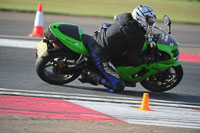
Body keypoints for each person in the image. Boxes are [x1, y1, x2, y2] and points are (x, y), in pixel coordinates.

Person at [83, 5, 157, 93]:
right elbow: (133, 59)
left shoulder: (126, 16)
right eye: (149, 21)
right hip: (99, 52)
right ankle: (89, 74)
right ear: (141, 17)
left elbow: (118, 21)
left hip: (98, 38)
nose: (151, 23)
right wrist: (145, 59)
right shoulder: (137, 35)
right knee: (118, 86)